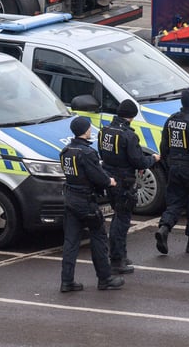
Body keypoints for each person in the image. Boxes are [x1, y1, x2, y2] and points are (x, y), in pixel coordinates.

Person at [59, 116, 124, 292]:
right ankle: (105, 278)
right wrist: (110, 181)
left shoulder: (66, 151)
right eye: (89, 127)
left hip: (70, 199)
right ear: (84, 130)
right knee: (99, 238)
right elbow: (97, 176)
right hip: (86, 201)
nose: (90, 130)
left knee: (71, 242)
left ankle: (67, 281)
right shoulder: (87, 153)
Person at [98, 99, 160, 274]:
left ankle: (121, 255)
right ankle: (117, 259)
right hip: (124, 181)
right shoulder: (129, 135)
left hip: (109, 178)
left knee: (118, 216)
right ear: (132, 116)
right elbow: (138, 160)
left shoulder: (105, 131)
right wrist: (153, 159)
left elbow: (102, 153)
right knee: (121, 221)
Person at [155, 89, 189, 255]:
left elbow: (164, 145)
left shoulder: (171, 120)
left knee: (175, 202)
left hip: (174, 167)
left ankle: (164, 228)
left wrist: (168, 163)